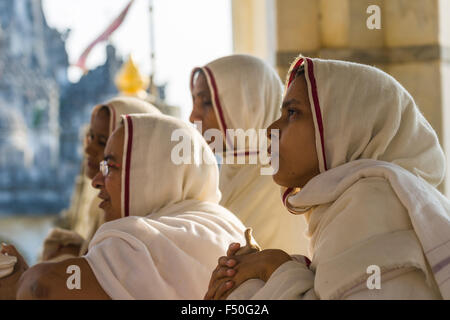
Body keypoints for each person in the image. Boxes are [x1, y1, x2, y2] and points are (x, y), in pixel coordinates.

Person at [205, 55, 450, 300]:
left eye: (292, 113)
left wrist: (273, 266)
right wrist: (263, 269)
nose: (271, 130)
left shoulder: (373, 201)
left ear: (345, 128)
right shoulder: (349, 204)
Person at [1, 113, 248, 299]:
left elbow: (40, 286)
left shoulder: (143, 239)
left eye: (110, 166)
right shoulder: (222, 222)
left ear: (153, 174)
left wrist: (19, 280)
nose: (96, 181)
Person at [190, 54, 309, 256]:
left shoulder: (287, 186)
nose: (193, 116)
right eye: (194, 102)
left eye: (207, 103)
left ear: (248, 105)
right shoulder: (220, 177)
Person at [40, 97, 161, 262]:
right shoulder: (100, 204)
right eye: (90, 137)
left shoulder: (138, 227)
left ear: (135, 155)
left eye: (103, 142)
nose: (88, 148)